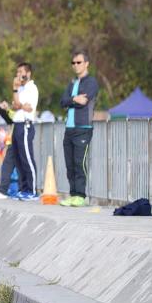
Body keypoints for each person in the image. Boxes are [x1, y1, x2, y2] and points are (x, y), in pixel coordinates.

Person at [60, 50, 98, 207]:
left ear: (86, 63)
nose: (75, 65)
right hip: (69, 129)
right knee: (69, 164)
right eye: (73, 63)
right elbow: (62, 101)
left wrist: (72, 100)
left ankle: (81, 195)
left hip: (83, 128)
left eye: (79, 62)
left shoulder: (91, 82)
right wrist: (74, 98)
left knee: (79, 162)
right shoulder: (72, 83)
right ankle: (73, 194)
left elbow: (84, 101)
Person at [11, 62, 39, 200]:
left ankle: (32, 189)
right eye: (17, 72)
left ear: (28, 73)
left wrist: (19, 105)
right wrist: (15, 90)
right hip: (17, 125)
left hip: (26, 125)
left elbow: (27, 108)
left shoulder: (31, 88)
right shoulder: (20, 89)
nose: (18, 75)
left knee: (27, 157)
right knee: (19, 159)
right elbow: (15, 105)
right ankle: (23, 189)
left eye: (21, 72)